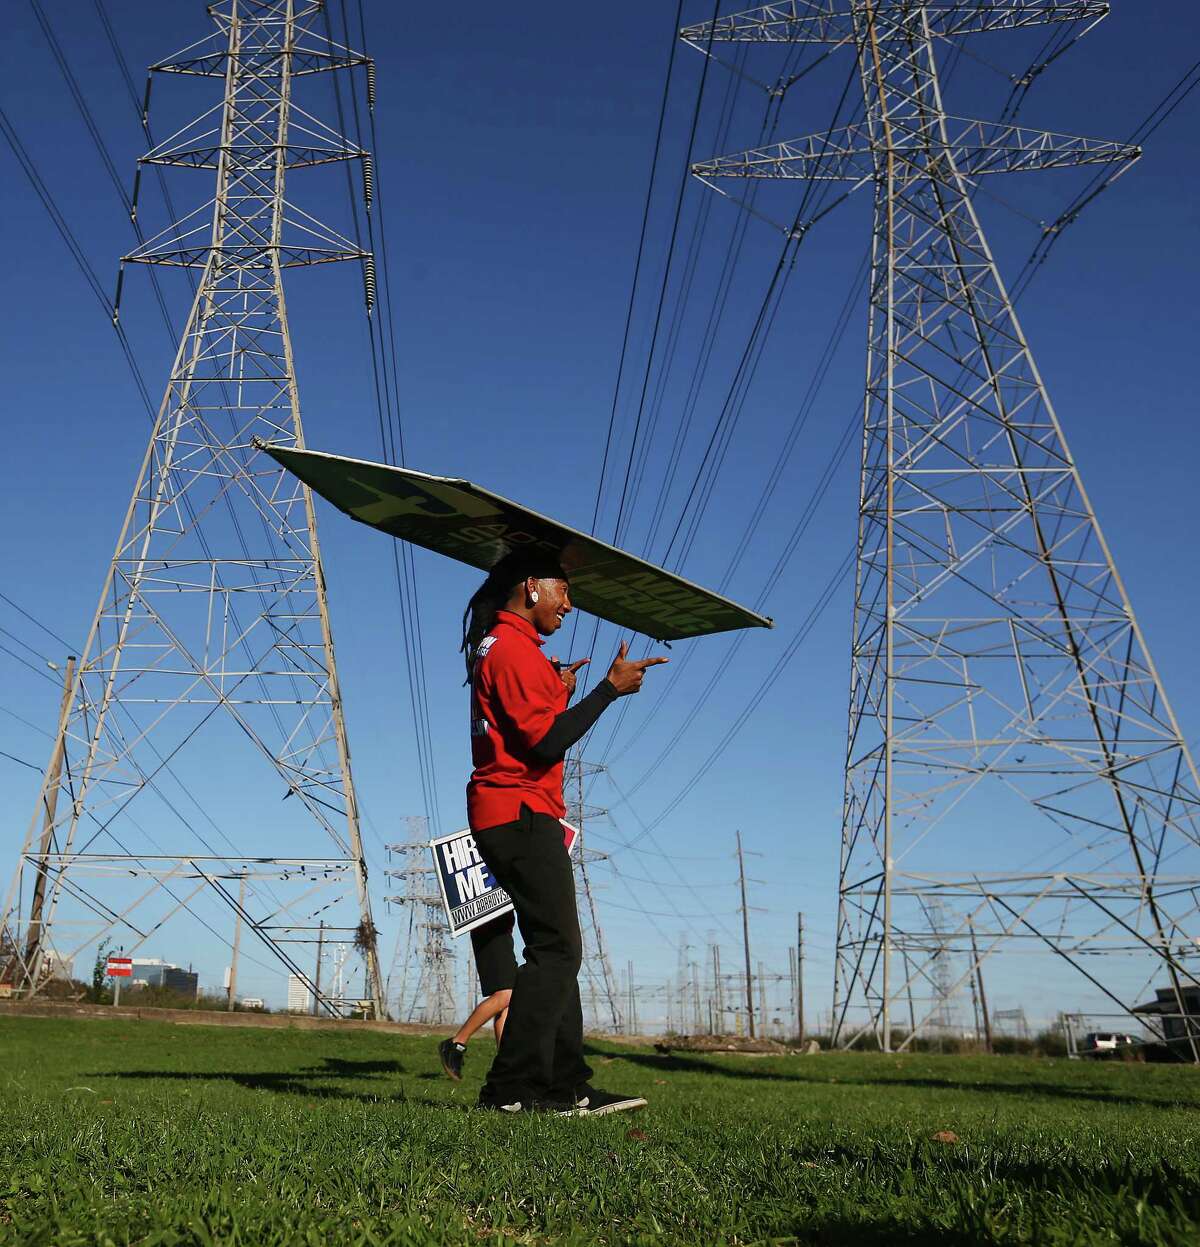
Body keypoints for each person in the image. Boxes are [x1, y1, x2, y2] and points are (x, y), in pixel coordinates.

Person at [461, 551, 667, 1114]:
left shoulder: (502, 647)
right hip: (520, 811)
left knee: (557, 951)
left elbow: (529, 726)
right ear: (532, 587)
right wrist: (607, 690)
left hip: (512, 811)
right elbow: (546, 744)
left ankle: (565, 1086)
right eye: (564, 592)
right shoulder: (512, 651)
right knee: (557, 951)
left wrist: (561, 690)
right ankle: (510, 1090)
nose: (570, 606)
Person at [438, 912, 515, 1081]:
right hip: (490, 929)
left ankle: (507, 1066)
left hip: (502, 930)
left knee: (507, 1002)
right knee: (505, 995)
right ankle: (456, 1043)